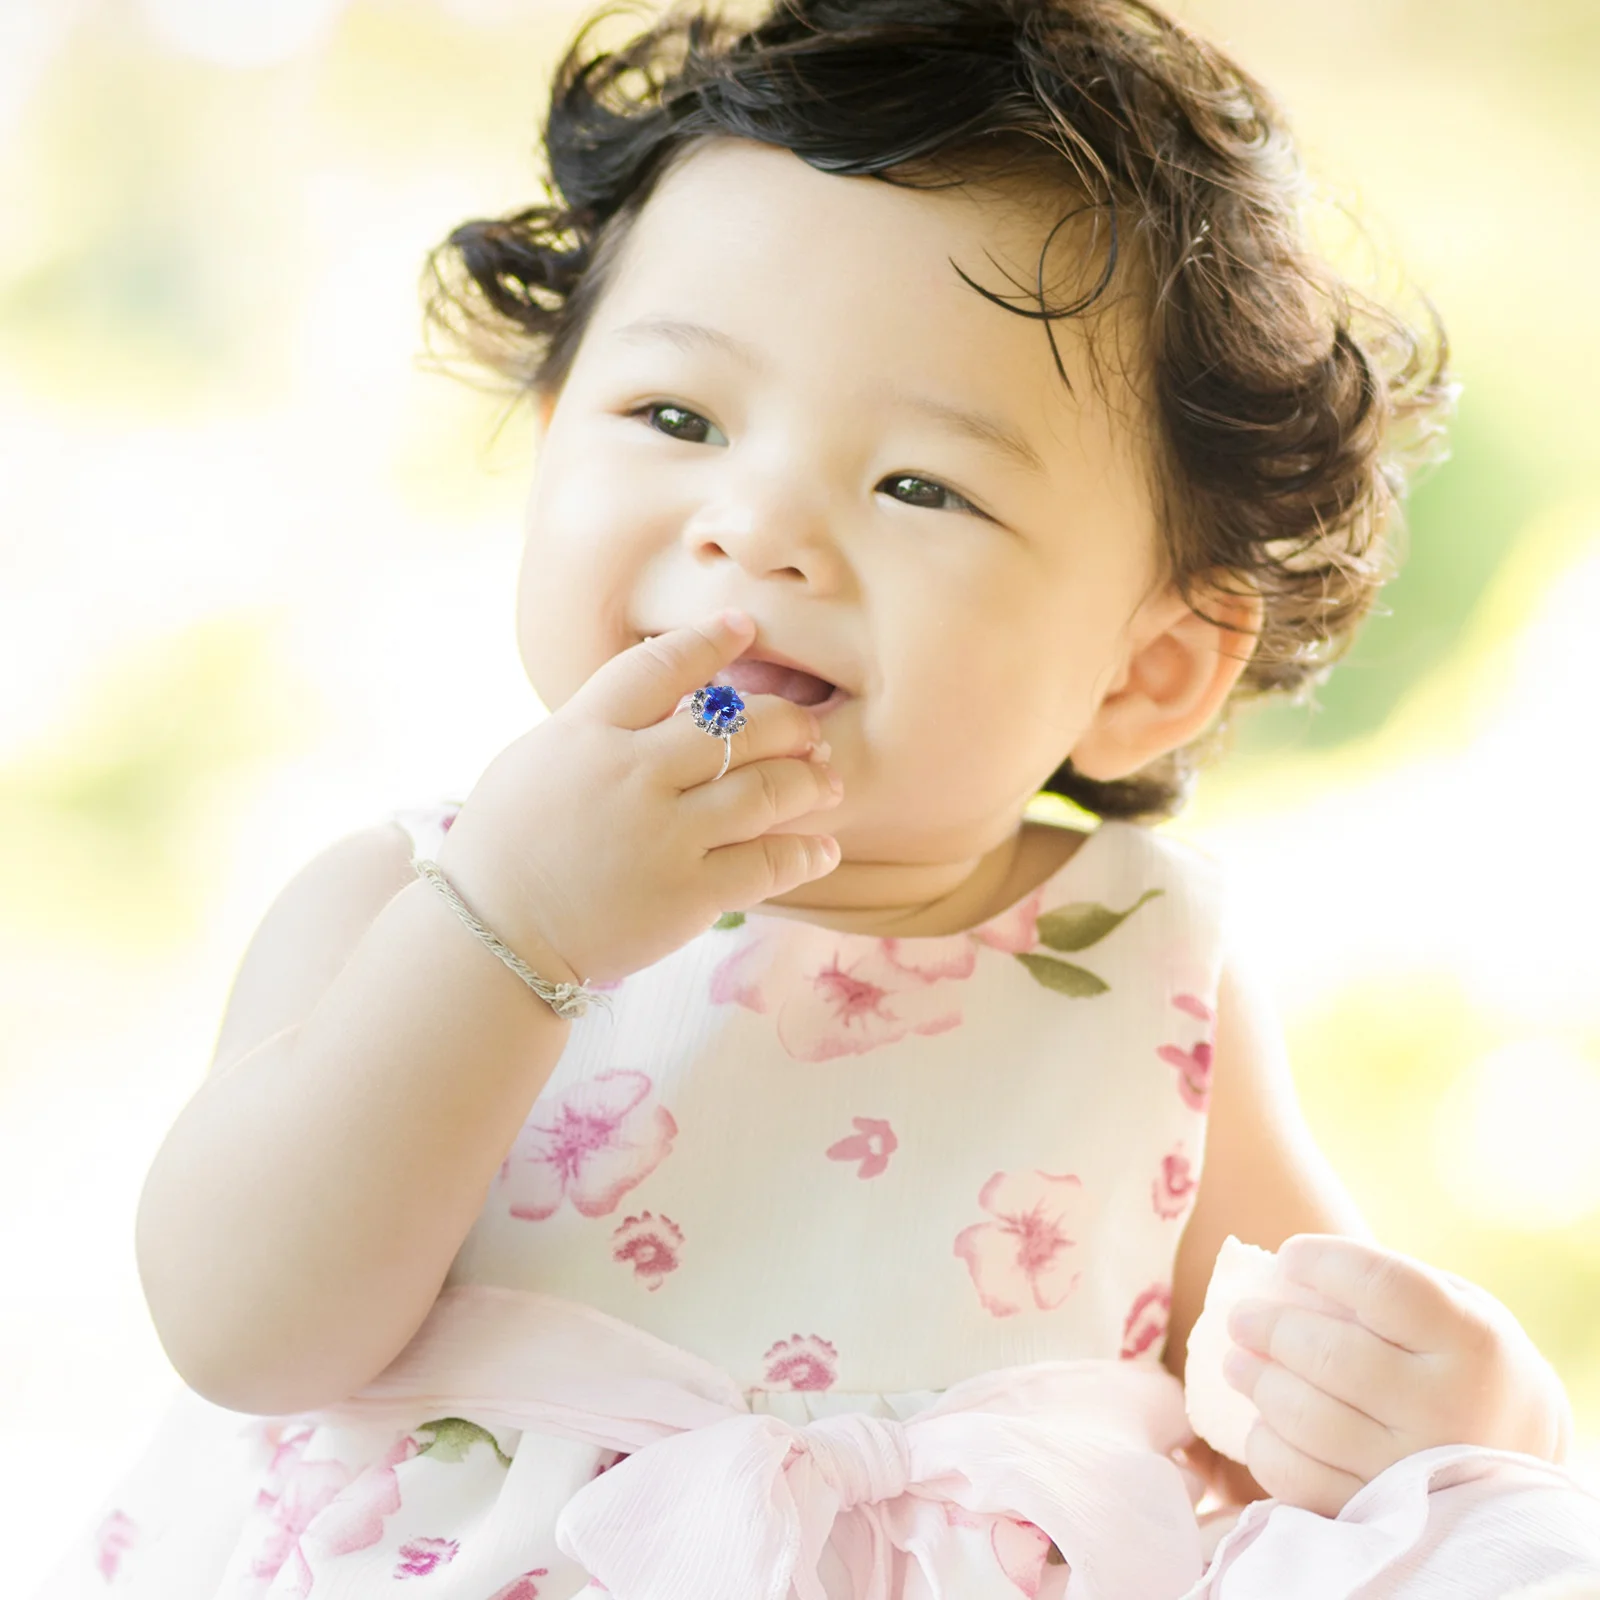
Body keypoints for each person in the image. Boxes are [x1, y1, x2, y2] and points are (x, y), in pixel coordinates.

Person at [31, 0, 1600, 1595]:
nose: (758, 525)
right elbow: (245, 1332)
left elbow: (1302, 1376)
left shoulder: (1140, 962)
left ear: (1148, 671)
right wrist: (515, 930)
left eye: (920, 485)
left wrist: (1464, 1420)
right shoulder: (419, 902)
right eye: (678, 418)